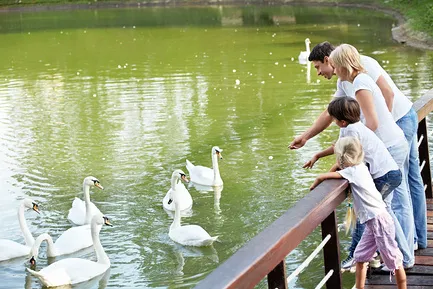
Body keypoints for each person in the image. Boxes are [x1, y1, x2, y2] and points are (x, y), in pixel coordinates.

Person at [289, 41, 427, 251]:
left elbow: (387, 96)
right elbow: (331, 112)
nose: (318, 73)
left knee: (402, 187)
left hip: (399, 119)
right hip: (382, 130)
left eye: (318, 67)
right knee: (398, 188)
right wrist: (306, 137)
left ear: (330, 61)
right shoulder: (344, 79)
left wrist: (379, 136)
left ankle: (410, 246)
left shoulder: (363, 69)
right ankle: (409, 245)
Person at [328, 44, 414, 270]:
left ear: (343, 65)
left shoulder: (360, 84)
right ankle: (383, 254)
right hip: (391, 145)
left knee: (381, 208)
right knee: (383, 207)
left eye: (335, 66)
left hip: (391, 147)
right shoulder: (355, 81)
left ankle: (403, 258)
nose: (334, 70)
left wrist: (357, 148)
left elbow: (372, 123)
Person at [304, 97, 412, 269]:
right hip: (388, 174)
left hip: (385, 176)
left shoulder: (352, 132)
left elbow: (345, 159)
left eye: (333, 119)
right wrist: (317, 155)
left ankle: (365, 255)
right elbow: (339, 149)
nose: (332, 121)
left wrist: (328, 175)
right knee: (379, 215)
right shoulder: (350, 128)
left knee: (372, 214)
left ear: (342, 121)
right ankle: (375, 254)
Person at [310, 136, 407, 289]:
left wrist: (317, 180)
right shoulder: (360, 166)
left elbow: (327, 175)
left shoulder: (353, 172)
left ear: (342, 157)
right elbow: (338, 170)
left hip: (379, 221)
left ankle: (403, 286)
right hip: (373, 221)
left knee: (393, 259)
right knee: (360, 256)